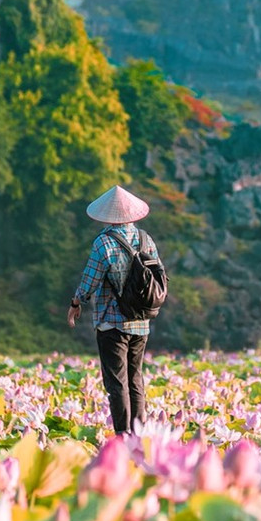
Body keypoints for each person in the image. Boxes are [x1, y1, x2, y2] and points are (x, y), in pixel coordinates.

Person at [67, 184, 163, 436]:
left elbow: (90, 281)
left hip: (112, 322)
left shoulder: (103, 243)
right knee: (135, 379)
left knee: (116, 382)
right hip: (142, 322)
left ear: (107, 215)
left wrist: (76, 303)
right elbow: (159, 276)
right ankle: (138, 435)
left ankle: (122, 436)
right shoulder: (146, 239)